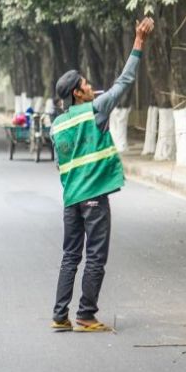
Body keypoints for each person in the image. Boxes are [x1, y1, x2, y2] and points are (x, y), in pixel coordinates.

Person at [49, 17, 155, 332]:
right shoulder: (96, 110)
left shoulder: (58, 125)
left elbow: (60, 165)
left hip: (71, 200)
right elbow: (124, 81)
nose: (89, 85)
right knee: (95, 256)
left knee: (70, 256)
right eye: (84, 84)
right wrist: (139, 41)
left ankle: (59, 316)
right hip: (94, 197)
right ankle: (86, 315)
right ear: (77, 94)